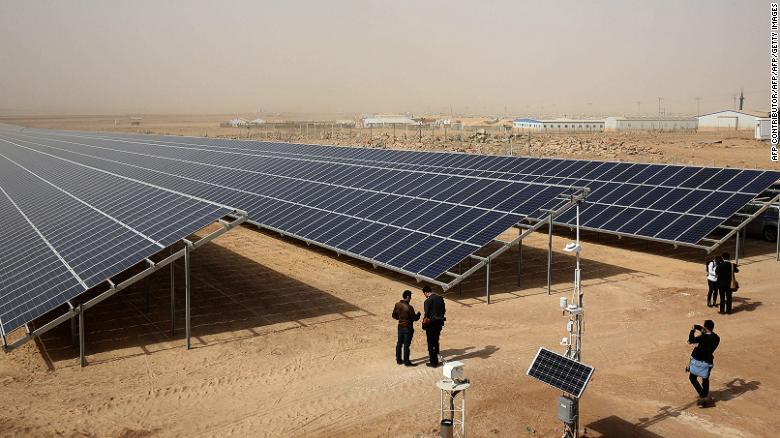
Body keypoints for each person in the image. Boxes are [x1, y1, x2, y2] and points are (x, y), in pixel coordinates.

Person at [688, 320, 720, 406]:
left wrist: (692, 330)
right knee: (705, 379)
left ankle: (703, 396)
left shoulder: (701, 338)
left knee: (692, 378)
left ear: (705, 328)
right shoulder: (716, 338)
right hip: (708, 361)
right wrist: (697, 327)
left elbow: (691, 340)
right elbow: (708, 333)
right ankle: (705, 399)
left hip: (698, 361)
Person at [392, 290, 420, 366]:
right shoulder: (409, 307)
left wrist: (400, 318)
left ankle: (398, 360)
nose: (411, 298)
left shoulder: (397, 304)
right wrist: (418, 315)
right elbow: (414, 318)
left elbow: (394, 316)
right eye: (410, 297)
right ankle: (407, 362)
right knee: (406, 345)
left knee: (399, 343)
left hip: (400, 327)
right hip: (408, 328)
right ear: (407, 297)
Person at [422, 285, 446, 368]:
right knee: (436, 341)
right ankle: (437, 359)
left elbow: (427, 315)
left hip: (431, 324)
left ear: (425, 293)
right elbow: (443, 310)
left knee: (431, 343)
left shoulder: (427, 301)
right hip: (439, 323)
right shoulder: (440, 298)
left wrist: (424, 324)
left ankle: (433, 362)